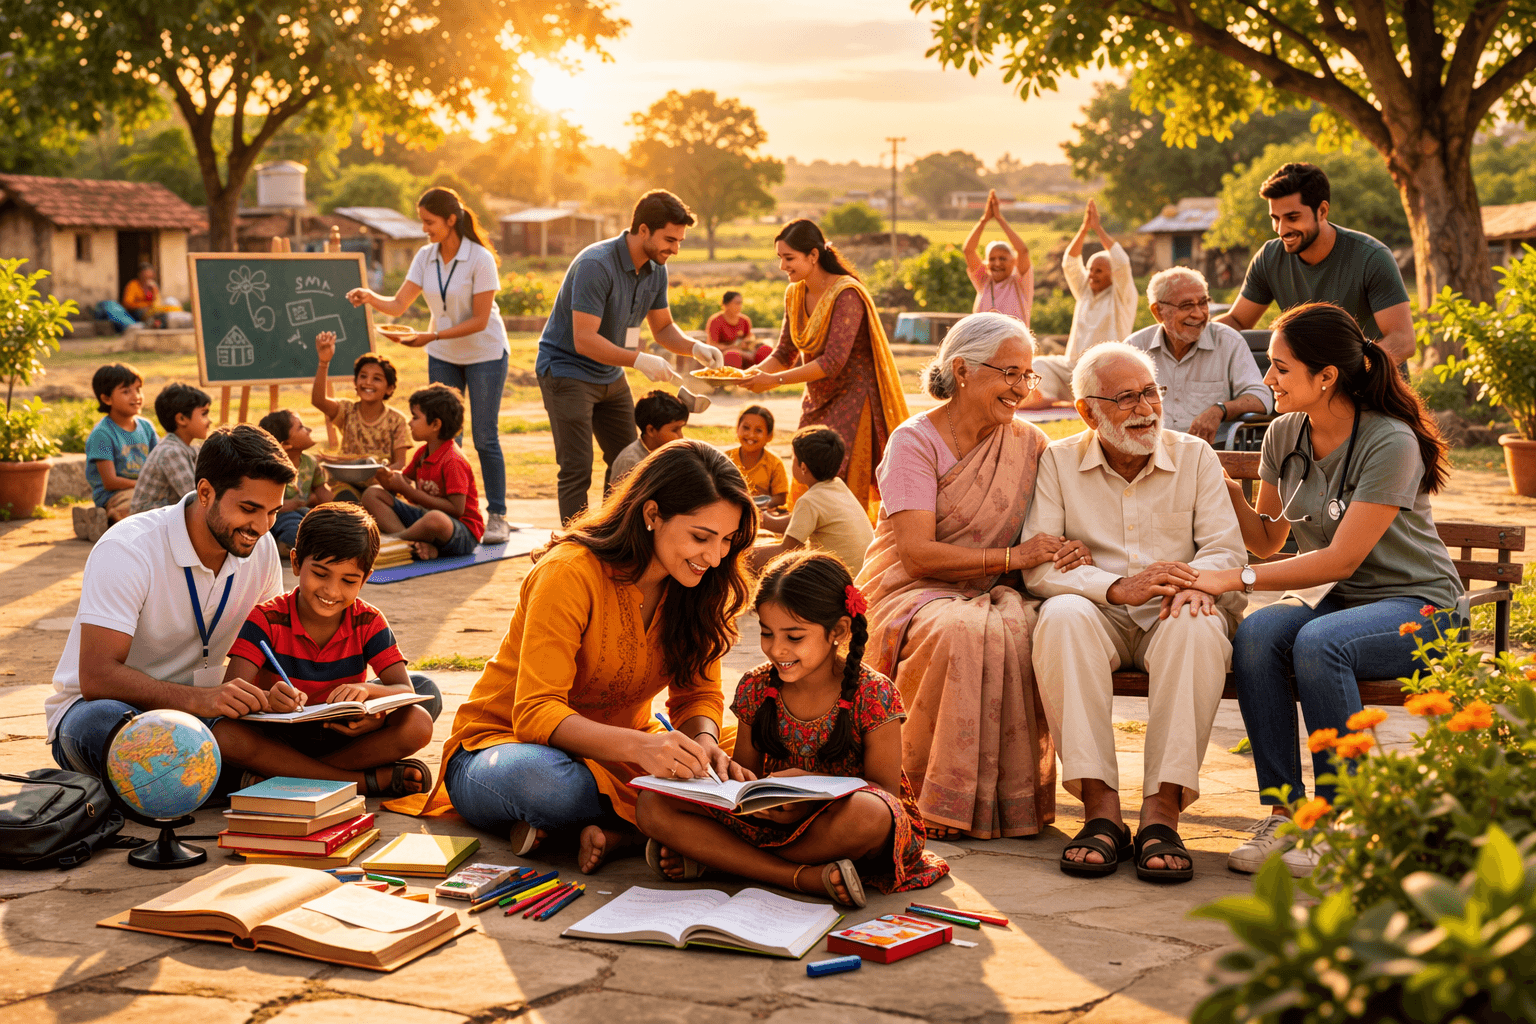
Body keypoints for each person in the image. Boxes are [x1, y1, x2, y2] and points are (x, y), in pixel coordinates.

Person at [383, 441, 755, 875]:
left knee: (754, 758)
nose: (715, 557)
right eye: (701, 537)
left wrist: (705, 747)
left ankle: (624, 831)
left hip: (629, 756)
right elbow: (536, 714)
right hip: (505, 750)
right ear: (652, 515)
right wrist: (647, 749)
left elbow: (698, 695)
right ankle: (661, 824)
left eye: (727, 540)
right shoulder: (570, 572)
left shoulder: (698, 585)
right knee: (544, 784)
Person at [1185, 302, 1462, 877]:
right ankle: (1286, 813)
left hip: (1421, 605)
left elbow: (1342, 556)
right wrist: (1223, 486)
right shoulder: (1284, 432)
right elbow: (1267, 540)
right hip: (1341, 600)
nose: (1267, 379)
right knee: (1259, 632)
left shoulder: (1390, 441)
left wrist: (1232, 579)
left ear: (1326, 376)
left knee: (1319, 644)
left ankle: (1341, 815)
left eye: (1282, 369)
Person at [856, 313, 1093, 840]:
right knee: (960, 631)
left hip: (994, 591)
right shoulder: (913, 442)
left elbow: (1053, 524)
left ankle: (1000, 804)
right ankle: (920, 795)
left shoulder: (1029, 443)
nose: (1022, 388)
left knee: (1023, 627)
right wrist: (1014, 558)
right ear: (962, 370)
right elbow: (917, 555)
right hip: (910, 590)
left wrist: (1069, 547)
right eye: (1010, 373)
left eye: (1028, 375)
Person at [1023, 342, 1246, 882]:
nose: (1146, 408)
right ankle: (1100, 809)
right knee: (1061, 617)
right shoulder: (1058, 461)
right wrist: (1116, 587)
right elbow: (1041, 563)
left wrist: (1195, 584)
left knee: (1196, 624)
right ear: (1087, 410)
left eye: (1151, 392)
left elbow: (1225, 549)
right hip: (1100, 613)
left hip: (1173, 611)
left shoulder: (1194, 457)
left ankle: (1161, 812)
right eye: (1126, 398)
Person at [637, 552, 949, 907]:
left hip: (836, 826)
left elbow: (886, 793)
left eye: (795, 636)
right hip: (772, 825)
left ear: (839, 631)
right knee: (652, 804)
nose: (777, 649)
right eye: (767, 633)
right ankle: (801, 876)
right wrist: (741, 787)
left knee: (871, 815)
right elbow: (745, 780)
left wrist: (810, 795)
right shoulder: (756, 687)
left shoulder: (873, 693)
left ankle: (724, 860)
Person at [46, 426, 294, 791]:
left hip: (208, 714)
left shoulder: (262, 546)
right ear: (206, 493)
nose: (261, 526)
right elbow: (97, 677)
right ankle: (242, 777)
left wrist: (275, 693)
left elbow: (268, 648)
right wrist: (199, 700)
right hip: (111, 709)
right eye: (249, 509)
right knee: (114, 727)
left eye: (273, 512)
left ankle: (223, 777)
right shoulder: (129, 548)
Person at [534, 190, 725, 524]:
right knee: (577, 466)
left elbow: (663, 328)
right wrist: (638, 360)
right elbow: (584, 340)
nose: (675, 249)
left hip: (610, 374)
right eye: (669, 239)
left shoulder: (656, 269)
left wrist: (695, 348)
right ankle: (573, 548)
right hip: (567, 370)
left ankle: (614, 535)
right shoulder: (597, 264)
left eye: (679, 241)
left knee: (632, 463)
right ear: (643, 230)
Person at [224, 503, 440, 797]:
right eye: (321, 574)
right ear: (297, 562)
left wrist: (366, 691)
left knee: (417, 722)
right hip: (278, 737)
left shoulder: (368, 621)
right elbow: (231, 691)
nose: (332, 591)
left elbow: (404, 688)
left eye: (348, 580)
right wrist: (267, 700)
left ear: (365, 579)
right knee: (224, 735)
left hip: (344, 736)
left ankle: (287, 777)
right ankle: (362, 782)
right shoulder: (266, 618)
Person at [345, 187, 513, 545]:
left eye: (429, 221)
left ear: (451, 220)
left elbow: (481, 320)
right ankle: (440, 516)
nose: (424, 228)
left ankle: (496, 514)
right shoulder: (425, 256)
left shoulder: (479, 258)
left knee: (485, 437)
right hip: (444, 353)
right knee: (448, 439)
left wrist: (431, 336)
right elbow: (398, 304)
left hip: (484, 352)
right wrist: (369, 296)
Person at [745, 219, 910, 515]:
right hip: (817, 398)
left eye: (789, 258)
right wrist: (750, 375)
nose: (783, 266)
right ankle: (812, 537)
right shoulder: (795, 294)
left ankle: (847, 543)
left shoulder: (846, 294)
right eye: (780, 258)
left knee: (841, 476)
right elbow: (785, 352)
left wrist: (775, 381)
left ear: (813, 256)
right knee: (806, 467)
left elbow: (832, 362)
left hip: (854, 398)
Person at [1215, 162, 1415, 364]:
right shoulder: (1269, 258)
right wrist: (1192, 331)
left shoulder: (1372, 257)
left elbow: (1402, 341)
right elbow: (1237, 321)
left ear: (1322, 211)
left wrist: (1344, 374)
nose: (1281, 229)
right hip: (1313, 387)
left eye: (1292, 217)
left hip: (1374, 386)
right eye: (1275, 218)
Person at [1125, 267, 1271, 445]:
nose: (1199, 313)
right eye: (1186, 306)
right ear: (1158, 312)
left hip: (1213, 452)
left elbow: (1261, 398)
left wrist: (1219, 410)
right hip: (1149, 451)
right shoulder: (1135, 348)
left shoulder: (1228, 341)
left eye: (1203, 303)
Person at [1028, 200, 1136, 408]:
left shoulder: (1123, 296)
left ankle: (1075, 404)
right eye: (1091, 269)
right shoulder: (1085, 291)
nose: (1092, 275)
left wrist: (1098, 229)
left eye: (1099, 271)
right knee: (1038, 364)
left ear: (1113, 275)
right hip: (1072, 367)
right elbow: (1070, 262)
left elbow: (1122, 262)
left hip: (1104, 370)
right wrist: (1084, 229)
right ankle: (1054, 404)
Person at [362, 383, 484, 560]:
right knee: (371, 494)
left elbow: (457, 510)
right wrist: (385, 477)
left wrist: (408, 491)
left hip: (460, 531)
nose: (410, 422)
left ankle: (395, 540)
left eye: (415, 417)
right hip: (425, 519)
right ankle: (409, 542)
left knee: (435, 519)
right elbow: (402, 481)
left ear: (435, 424)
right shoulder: (423, 453)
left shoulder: (453, 460)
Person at [754, 427, 873, 574]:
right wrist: (764, 519)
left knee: (764, 564)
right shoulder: (837, 486)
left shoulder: (809, 501)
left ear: (803, 467)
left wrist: (742, 557)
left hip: (842, 582)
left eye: (793, 458)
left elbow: (786, 550)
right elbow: (797, 521)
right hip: (863, 575)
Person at [309, 333, 412, 500]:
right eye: (363, 376)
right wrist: (324, 362)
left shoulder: (396, 420)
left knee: (375, 502)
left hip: (380, 484)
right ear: (355, 383)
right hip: (345, 481)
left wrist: (379, 473)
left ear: (390, 389)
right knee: (345, 501)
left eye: (376, 378)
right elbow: (318, 400)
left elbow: (400, 463)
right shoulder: (347, 410)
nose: (368, 383)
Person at [83, 363, 156, 528]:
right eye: (126, 391)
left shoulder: (146, 427)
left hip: (144, 490)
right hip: (116, 495)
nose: (136, 396)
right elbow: (110, 482)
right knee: (137, 511)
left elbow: (158, 463)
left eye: (138, 389)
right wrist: (143, 486)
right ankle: (109, 519)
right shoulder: (102, 434)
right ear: (106, 399)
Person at [129, 382, 211, 514]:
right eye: (204, 414)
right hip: (149, 524)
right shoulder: (172, 452)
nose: (209, 420)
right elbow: (196, 498)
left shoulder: (188, 448)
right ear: (182, 419)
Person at [258, 409, 332, 549]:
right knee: (291, 523)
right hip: (277, 515)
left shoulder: (310, 462)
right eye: (301, 428)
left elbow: (325, 496)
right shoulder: (270, 468)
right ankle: (283, 546)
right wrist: (286, 505)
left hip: (302, 513)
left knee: (313, 520)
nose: (309, 430)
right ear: (285, 444)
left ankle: (289, 546)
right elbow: (260, 502)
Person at [963, 189, 1035, 323]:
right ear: (986, 263)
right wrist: (984, 219)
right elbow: (968, 251)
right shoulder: (984, 281)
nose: (997, 263)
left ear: (1013, 262)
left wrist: (999, 219)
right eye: (992, 259)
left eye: (1003, 258)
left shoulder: (1020, 283)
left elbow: (1023, 251)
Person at [611, 390, 689, 487]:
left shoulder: (673, 449)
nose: (681, 436)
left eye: (681, 428)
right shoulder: (630, 461)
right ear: (651, 430)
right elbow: (622, 499)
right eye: (675, 430)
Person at [727, 405, 787, 509]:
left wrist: (758, 506)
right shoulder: (726, 458)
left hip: (761, 513)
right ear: (737, 429)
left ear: (769, 436)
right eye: (746, 428)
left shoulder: (774, 463)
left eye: (758, 430)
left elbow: (781, 498)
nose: (751, 435)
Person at [708, 291, 770, 368]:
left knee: (765, 350)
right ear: (726, 304)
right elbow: (712, 345)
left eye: (741, 303)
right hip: (726, 354)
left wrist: (746, 341)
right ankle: (733, 378)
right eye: (737, 303)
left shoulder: (744, 320)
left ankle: (766, 377)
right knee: (732, 355)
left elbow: (750, 336)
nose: (740, 306)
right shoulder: (716, 321)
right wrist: (733, 347)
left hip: (744, 351)